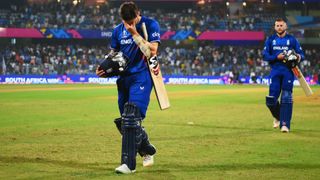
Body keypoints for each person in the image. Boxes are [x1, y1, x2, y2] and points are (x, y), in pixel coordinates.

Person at [96, 1, 160, 174]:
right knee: (125, 121)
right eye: (127, 22)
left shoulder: (150, 24)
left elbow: (152, 51)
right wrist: (104, 66)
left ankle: (128, 165)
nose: (130, 24)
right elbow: (114, 54)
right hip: (123, 79)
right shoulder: (117, 30)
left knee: (132, 114)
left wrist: (134, 33)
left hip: (142, 76)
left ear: (138, 13)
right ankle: (146, 147)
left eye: (133, 20)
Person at [263, 18, 305, 133]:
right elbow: (265, 56)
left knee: (286, 98)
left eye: (281, 25)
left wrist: (297, 57)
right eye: (277, 25)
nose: (279, 27)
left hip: (288, 72)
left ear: (285, 26)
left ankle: (285, 125)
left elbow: (301, 54)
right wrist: (276, 57)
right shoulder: (270, 40)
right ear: (275, 27)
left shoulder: (292, 40)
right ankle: (278, 117)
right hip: (275, 72)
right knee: (271, 100)